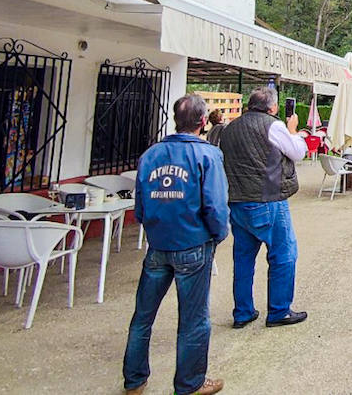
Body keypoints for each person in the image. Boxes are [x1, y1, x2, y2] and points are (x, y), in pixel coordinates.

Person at [124, 94, 229, 395]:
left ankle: (134, 380)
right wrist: (218, 234)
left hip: (157, 245)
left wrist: (152, 227)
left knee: (142, 316)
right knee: (194, 320)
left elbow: (140, 204)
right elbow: (216, 205)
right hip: (194, 243)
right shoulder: (208, 156)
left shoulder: (151, 155)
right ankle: (190, 383)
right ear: (202, 122)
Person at [218, 87, 308, 329]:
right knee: (283, 254)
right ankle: (279, 310)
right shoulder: (273, 125)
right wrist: (293, 132)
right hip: (268, 199)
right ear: (273, 107)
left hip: (237, 201)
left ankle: (243, 312)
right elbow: (298, 152)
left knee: (243, 259)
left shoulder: (230, 128)